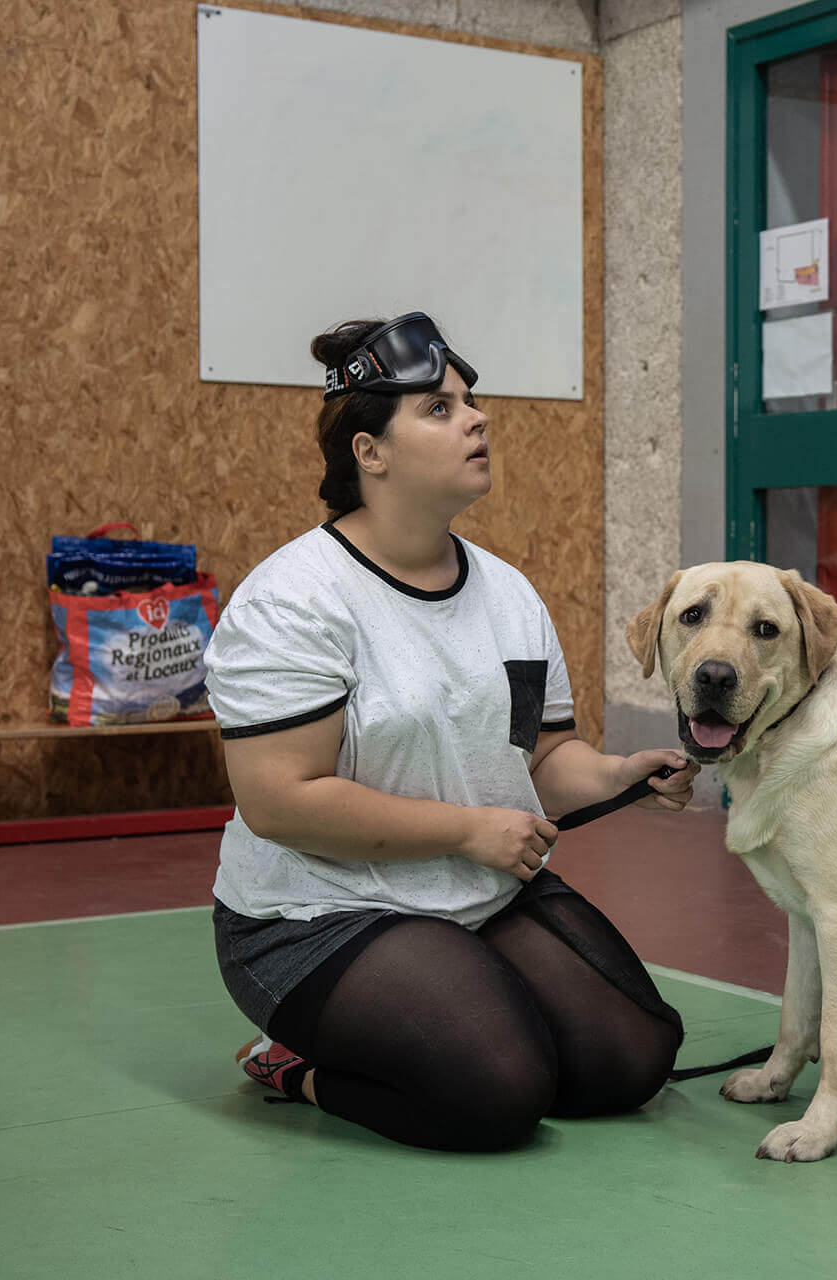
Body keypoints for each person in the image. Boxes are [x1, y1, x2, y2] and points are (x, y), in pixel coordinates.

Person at [205, 312, 698, 1152]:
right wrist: (470, 829)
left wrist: (618, 775)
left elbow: (538, 759)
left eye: (470, 403)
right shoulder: (293, 599)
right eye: (439, 408)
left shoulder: (509, 596)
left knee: (632, 1059)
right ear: (371, 453)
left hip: (471, 891)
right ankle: (295, 1065)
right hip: (316, 915)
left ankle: (458, 996)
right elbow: (279, 801)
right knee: (499, 1093)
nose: (477, 419)